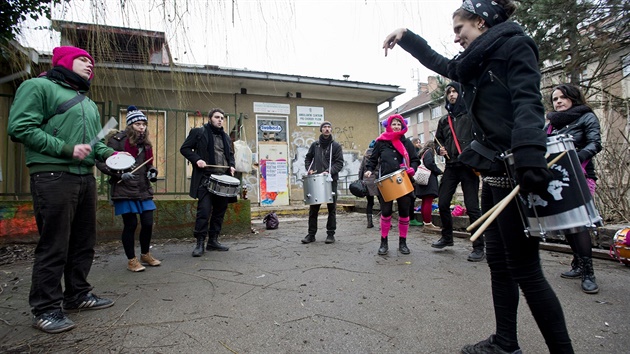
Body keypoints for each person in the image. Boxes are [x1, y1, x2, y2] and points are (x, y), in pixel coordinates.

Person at [383, 1, 574, 352]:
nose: (456, 38)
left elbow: (528, 102)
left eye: (460, 30)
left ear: (481, 22)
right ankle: (505, 342)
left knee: (527, 271)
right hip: (493, 172)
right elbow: (445, 64)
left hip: (517, 173)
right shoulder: (476, 61)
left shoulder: (516, 45)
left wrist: (531, 154)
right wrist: (407, 37)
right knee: (499, 265)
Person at [8, 46, 116, 333]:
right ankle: (45, 309)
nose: (89, 65)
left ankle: (77, 295)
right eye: (83, 59)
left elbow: (94, 144)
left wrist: (109, 155)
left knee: (83, 241)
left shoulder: (88, 103)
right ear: (64, 61)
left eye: (92, 61)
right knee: (55, 244)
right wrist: (66, 149)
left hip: (85, 178)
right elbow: (20, 128)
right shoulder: (38, 87)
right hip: (52, 175)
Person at [546, 83, 602, 294]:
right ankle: (577, 263)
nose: (558, 101)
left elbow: (595, 143)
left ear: (573, 98)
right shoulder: (551, 124)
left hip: (581, 174)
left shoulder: (586, 116)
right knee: (568, 223)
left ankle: (589, 272)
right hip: (559, 177)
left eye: (562, 97)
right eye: (555, 99)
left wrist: (576, 159)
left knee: (579, 222)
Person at [96, 106, 161, 272]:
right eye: (138, 124)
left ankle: (145, 254)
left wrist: (152, 171)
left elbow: (149, 164)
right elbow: (102, 162)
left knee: (147, 223)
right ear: (130, 125)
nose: (142, 127)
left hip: (143, 188)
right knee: (130, 224)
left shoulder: (146, 144)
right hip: (124, 189)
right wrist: (119, 174)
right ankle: (131, 260)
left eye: (144, 124)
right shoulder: (117, 141)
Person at [432, 82, 485, 262]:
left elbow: (482, 136)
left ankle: (479, 246)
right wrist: (439, 150)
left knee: (472, 207)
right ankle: (447, 237)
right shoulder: (443, 121)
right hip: (451, 166)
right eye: (449, 92)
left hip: (468, 167)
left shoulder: (471, 115)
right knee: (443, 203)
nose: (452, 95)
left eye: (455, 91)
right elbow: (437, 142)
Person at [180, 108, 236, 257]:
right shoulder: (199, 132)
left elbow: (230, 154)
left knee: (219, 212)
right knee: (203, 212)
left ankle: (213, 241)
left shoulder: (225, 136)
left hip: (223, 179)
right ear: (210, 118)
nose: (220, 120)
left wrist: (231, 165)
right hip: (205, 179)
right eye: (217, 117)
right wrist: (197, 159)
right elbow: (184, 149)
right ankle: (199, 243)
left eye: (222, 118)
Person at [364, 114, 420, 255]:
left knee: (404, 212)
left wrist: (412, 168)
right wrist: (369, 170)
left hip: (404, 181)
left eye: (399, 124)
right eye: (394, 124)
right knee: (386, 212)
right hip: (385, 182)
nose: (396, 126)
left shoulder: (406, 142)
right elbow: (373, 159)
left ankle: (403, 243)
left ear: (403, 126)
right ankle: (384, 242)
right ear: (388, 125)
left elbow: (415, 159)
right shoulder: (380, 142)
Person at [302, 121, 344, 244]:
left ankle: (330, 234)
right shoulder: (315, 145)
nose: (326, 129)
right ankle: (311, 235)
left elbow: (339, 163)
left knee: (332, 208)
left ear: (331, 130)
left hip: (331, 180)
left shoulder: (336, 146)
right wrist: (309, 170)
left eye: (328, 127)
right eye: (324, 127)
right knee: (313, 209)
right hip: (316, 179)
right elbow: (308, 158)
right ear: (321, 130)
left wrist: (329, 171)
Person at [413, 141, 442, 230]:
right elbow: (429, 164)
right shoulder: (429, 152)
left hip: (423, 180)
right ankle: (428, 223)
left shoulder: (422, 153)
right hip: (428, 180)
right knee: (428, 201)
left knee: (425, 201)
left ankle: (426, 222)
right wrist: (438, 171)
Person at [358, 140, 379, 228]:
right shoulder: (378, 155)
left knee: (370, 202)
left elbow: (361, 169)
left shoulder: (365, 156)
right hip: (377, 180)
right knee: (383, 201)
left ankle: (369, 223)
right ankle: (386, 222)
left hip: (367, 180)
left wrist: (360, 180)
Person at [408, 137, 423, 226]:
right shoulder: (412, 151)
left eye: (419, 142)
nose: (418, 144)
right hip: (411, 176)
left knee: (412, 198)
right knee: (411, 198)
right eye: (417, 142)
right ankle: (411, 218)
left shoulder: (417, 151)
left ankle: (410, 217)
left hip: (413, 175)